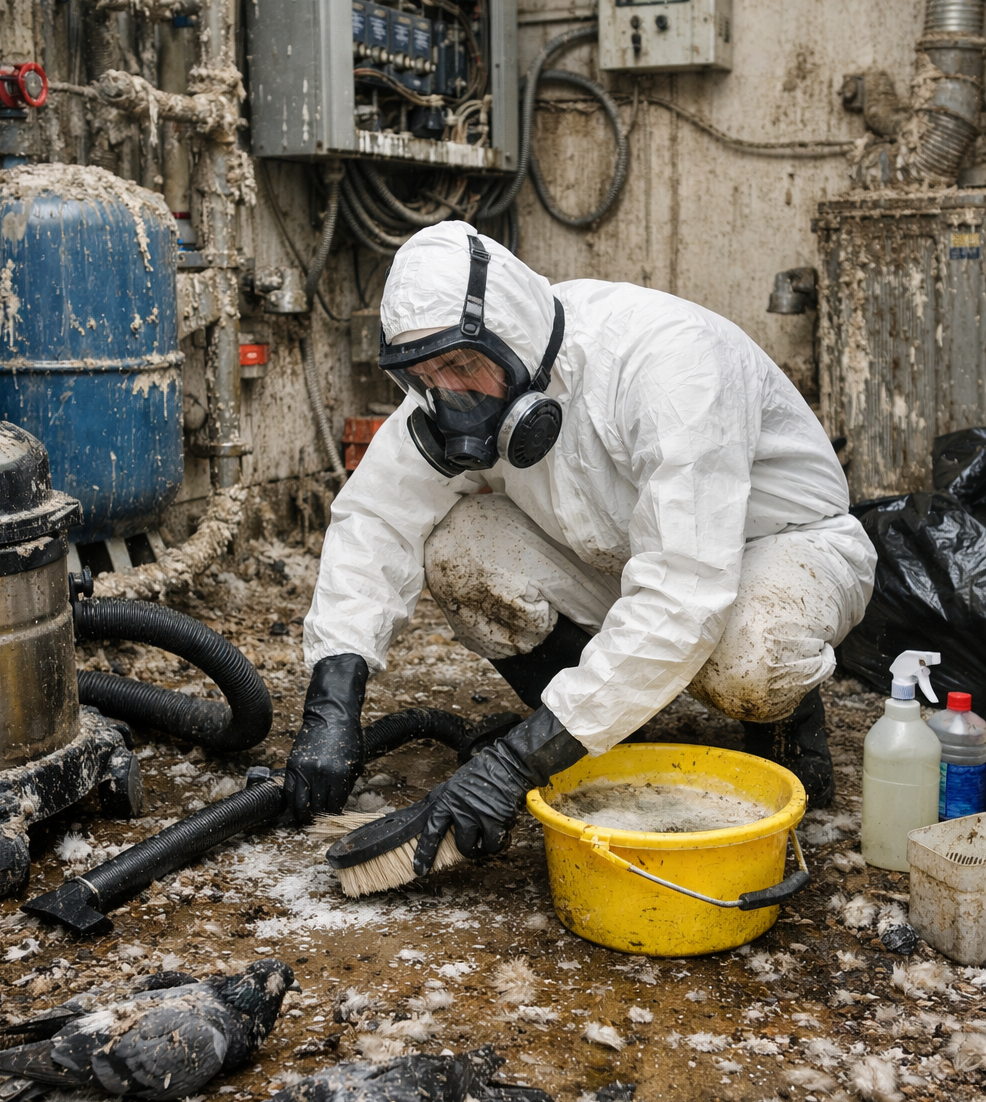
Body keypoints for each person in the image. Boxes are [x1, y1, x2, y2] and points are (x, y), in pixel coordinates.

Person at [285, 221, 876, 876]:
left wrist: (512, 764)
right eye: (425, 375)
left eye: (461, 368)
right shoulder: (454, 375)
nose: (449, 395)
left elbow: (684, 592)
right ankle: (597, 736)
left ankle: (786, 731)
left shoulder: (669, 363)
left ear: (513, 337)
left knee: (751, 659)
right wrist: (333, 698)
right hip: (622, 560)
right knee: (460, 548)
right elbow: (376, 516)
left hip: (777, 548)